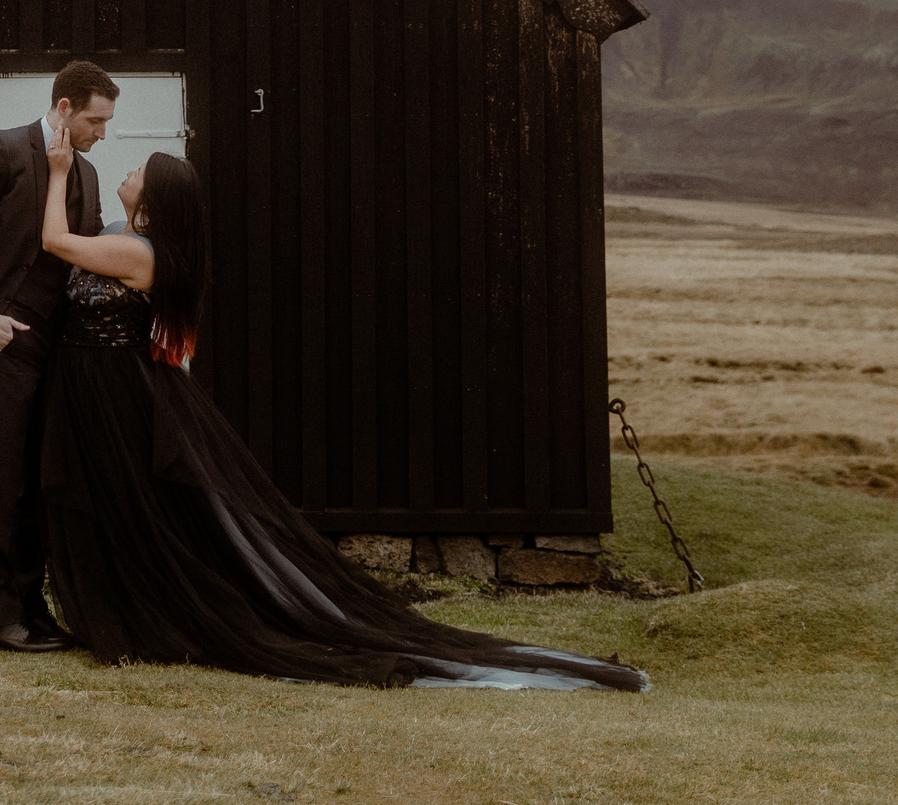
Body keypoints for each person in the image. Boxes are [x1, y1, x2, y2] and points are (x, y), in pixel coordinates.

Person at [34, 133, 649, 693]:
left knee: (137, 507)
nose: (130, 167)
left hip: (118, 393)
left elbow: (56, 242)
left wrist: (59, 171)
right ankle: (122, 613)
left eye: (141, 167)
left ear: (156, 196)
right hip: (95, 388)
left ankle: (148, 621)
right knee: (114, 504)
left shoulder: (140, 254)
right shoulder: (121, 233)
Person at [0, 59, 118, 653]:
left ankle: (31, 611)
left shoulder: (83, 172)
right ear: (64, 108)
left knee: (39, 480)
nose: (100, 133)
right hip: (3, 341)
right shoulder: (0, 150)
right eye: (94, 120)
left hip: (54, 351)